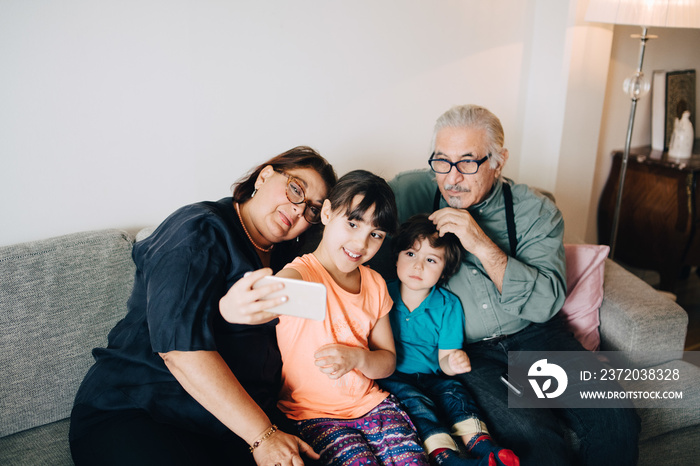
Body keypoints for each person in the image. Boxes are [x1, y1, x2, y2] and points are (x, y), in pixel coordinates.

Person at [375, 105, 641, 466]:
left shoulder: (536, 212)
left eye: (468, 163)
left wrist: (480, 243)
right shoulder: (411, 194)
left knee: (616, 419)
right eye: (442, 161)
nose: (452, 178)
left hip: (538, 336)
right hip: (472, 353)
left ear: (498, 162)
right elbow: (354, 217)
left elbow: (546, 301)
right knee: (533, 437)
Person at [69, 146, 337, 466]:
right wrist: (263, 435)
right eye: (296, 189)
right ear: (265, 175)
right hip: (138, 408)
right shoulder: (199, 229)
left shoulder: (287, 261)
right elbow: (179, 350)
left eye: (311, 209)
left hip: (224, 422)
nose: (297, 210)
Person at [273, 170, 429, 465]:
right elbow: (278, 291)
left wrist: (358, 359)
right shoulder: (303, 275)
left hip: (373, 406)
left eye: (376, 234)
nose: (361, 243)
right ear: (328, 212)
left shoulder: (375, 284)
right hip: (314, 414)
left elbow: (386, 360)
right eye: (353, 223)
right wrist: (260, 295)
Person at [377, 214, 519, 466]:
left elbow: (445, 358)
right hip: (394, 377)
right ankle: (447, 457)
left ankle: (485, 448)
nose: (418, 266)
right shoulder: (380, 293)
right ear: (396, 256)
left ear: (445, 271)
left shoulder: (447, 304)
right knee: (418, 407)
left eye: (431, 260)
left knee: (457, 397)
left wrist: (454, 361)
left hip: (435, 376)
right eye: (410, 254)